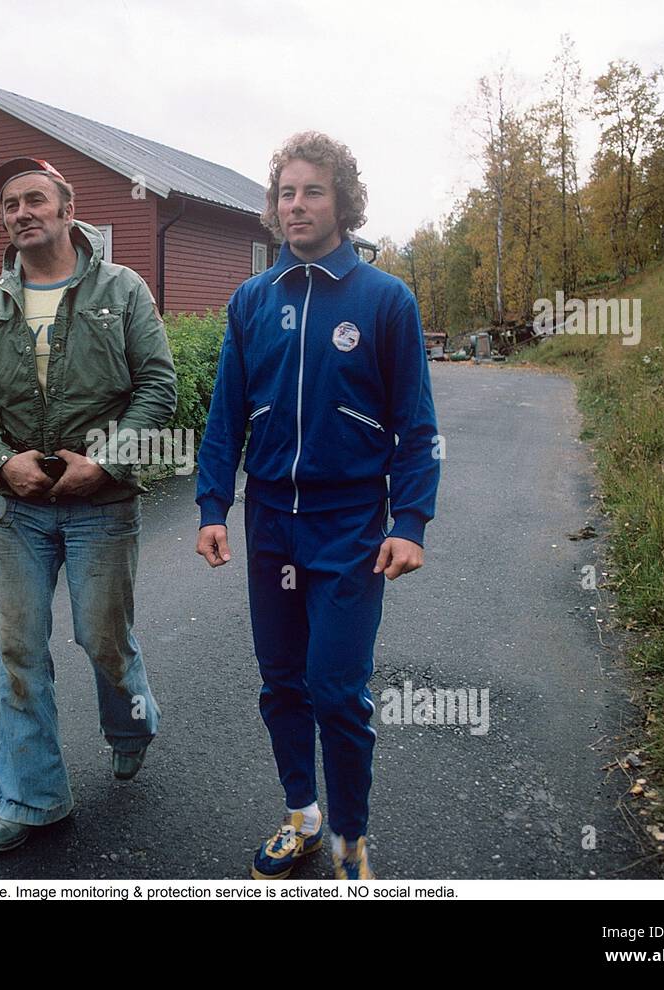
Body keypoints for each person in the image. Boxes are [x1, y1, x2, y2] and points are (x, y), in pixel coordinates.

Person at [194, 132, 441, 880]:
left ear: (344, 202)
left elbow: (417, 424)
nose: (296, 206)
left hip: (350, 529)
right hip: (270, 523)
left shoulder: (385, 299)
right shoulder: (252, 300)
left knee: (336, 688)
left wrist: (411, 521)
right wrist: (213, 506)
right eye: (286, 193)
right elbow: (224, 417)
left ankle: (349, 840)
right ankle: (302, 817)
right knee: (281, 683)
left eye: (313, 191)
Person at [0, 156, 177, 853]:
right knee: (20, 650)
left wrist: (105, 461)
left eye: (34, 199)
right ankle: (33, 797)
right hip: (17, 508)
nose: (21, 212)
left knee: (101, 639)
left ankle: (131, 723)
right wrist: (0, 461)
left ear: (67, 210)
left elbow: (158, 388)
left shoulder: (122, 289)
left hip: (102, 505)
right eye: (10, 204)